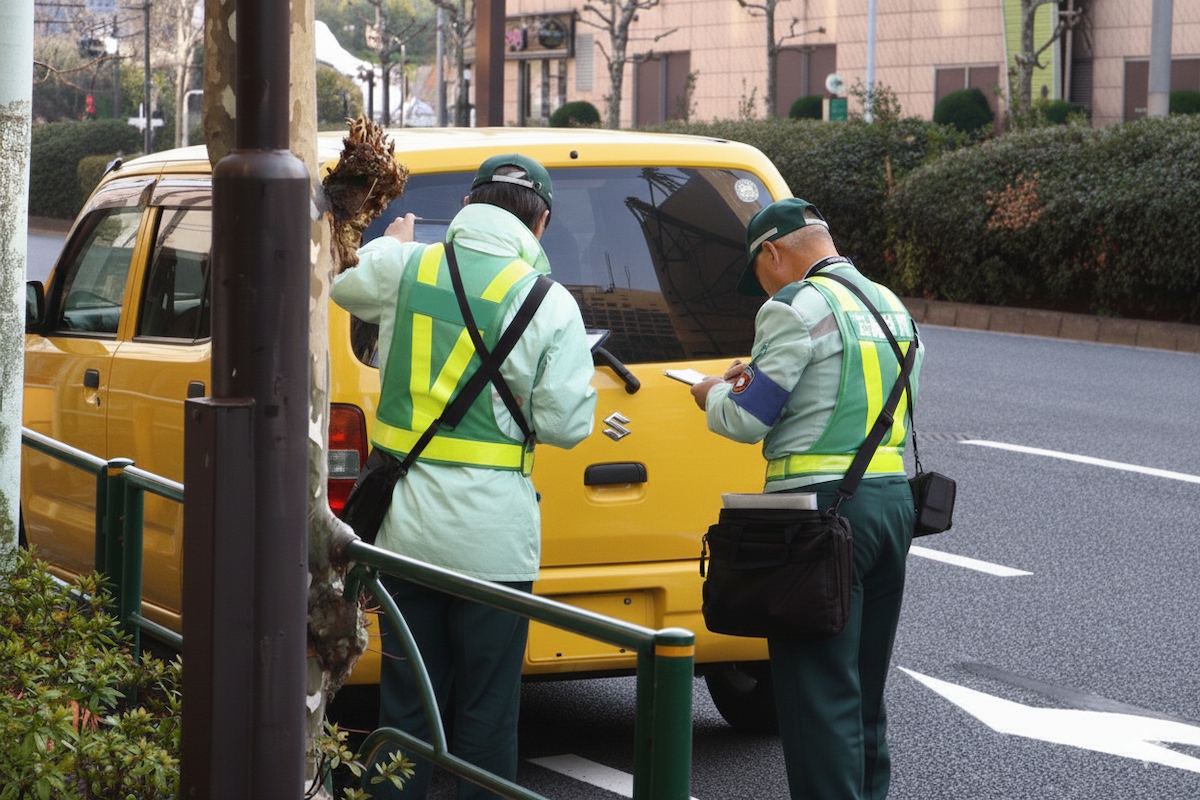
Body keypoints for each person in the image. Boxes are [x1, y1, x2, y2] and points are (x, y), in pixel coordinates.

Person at [330, 153, 598, 799]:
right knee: (486, 715)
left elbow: (340, 283)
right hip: (494, 544)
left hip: (404, 534)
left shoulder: (407, 267)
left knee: (407, 711)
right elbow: (567, 426)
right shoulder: (549, 302)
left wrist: (385, 241)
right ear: (543, 222)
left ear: (471, 204)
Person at [690, 197, 923, 800]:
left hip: (816, 516)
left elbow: (746, 418)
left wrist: (712, 392)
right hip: (892, 504)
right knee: (864, 696)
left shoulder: (794, 306)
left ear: (773, 252)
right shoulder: (889, 304)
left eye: (759, 273)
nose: (761, 289)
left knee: (817, 699)